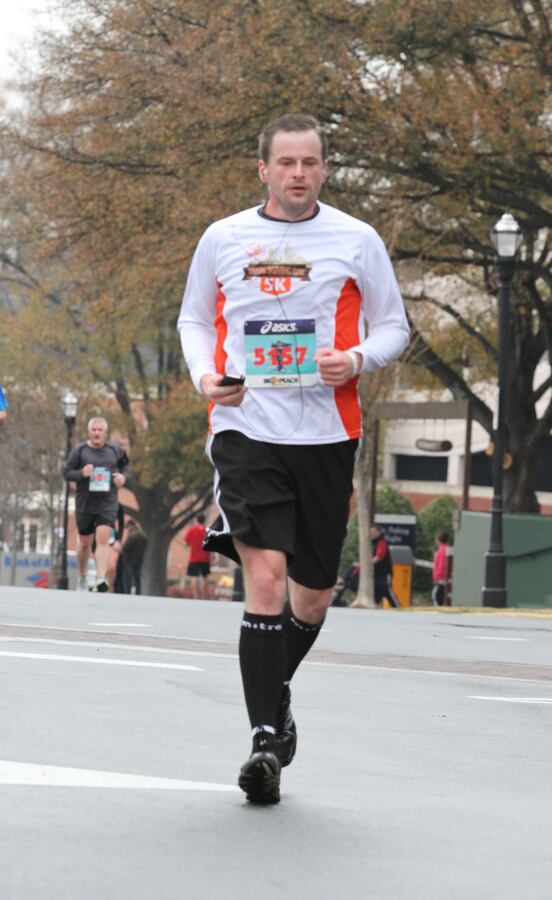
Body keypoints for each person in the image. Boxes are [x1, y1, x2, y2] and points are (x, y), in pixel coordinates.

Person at [178, 113, 410, 804]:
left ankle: (275, 700)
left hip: (327, 435)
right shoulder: (222, 238)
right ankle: (262, 743)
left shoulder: (356, 240)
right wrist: (204, 378)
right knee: (268, 582)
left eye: (310, 163)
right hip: (246, 428)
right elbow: (194, 318)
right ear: (264, 169)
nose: (298, 174)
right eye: (286, 163)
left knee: (312, 593)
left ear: (324, 169)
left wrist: (357, 359)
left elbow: (393, 324)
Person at [63, 416, 130, 592]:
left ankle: (100, 578)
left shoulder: (115, 451)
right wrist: (82, 473)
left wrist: (123, 478)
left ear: (105, 433)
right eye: (94, 430)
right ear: (89, 432)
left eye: (100, 430)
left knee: (102, 538)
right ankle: (83, 576)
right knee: (85, 543)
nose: (97, 433)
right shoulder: (80, 451)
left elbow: (126, 468)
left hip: (107, 502)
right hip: (85, 503)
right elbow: (67, 472)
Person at [371, 524, 400, 609]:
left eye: (374, 532)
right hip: (376, 574)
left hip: (384, 573)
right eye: (370, 532)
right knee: (376, 593)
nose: (371, 534)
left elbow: (379, 556)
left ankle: (398, 608)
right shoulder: (372, 543)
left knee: (387, 590)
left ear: (379, 532)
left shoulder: (382, 542)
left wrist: (366, 565)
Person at [184, 513, 212, 599]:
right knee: (205, 576)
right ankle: (204, 595)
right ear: (204, 520)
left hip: (194, 557)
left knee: (194, 576)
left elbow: (187, 542)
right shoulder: (207, 530)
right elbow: (211, 543)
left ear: (197, 520)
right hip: (205, 557)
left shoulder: (192, 529)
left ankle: (196, 596)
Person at [120, 519, 147, 595]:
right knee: (137, 579)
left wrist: (121, 549)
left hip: (129, 560)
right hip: (139, 560)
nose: (127, 529)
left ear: (131, 526)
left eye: (128, 527)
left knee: (127, 578)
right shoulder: (144, 536)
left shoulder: (132, 536)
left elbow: (125, 547)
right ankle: (138, 593)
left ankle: (127, 592)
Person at [432, 531, 450, 606]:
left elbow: (441, 565)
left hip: (441, 579)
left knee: (436, 596)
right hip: (444, 578)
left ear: (438, 540)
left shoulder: (441, 550)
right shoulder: (447, 549)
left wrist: (437, 577)